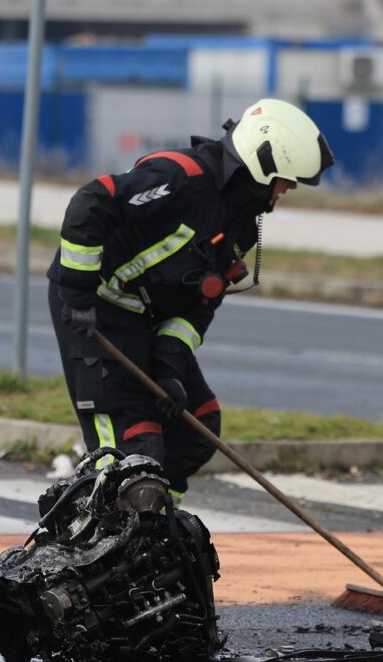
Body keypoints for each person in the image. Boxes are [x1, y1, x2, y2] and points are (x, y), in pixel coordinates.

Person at [47, 98, 334, 503]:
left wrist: (170, 366)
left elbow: (198, 305)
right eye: (286, 180)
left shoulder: (241, 226)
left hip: (140, 319)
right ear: (264, 162)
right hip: (91, 310)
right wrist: (77, 292)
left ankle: (151, 533)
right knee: (134, 447)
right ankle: (93, 536)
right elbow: (91, 203)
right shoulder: (180, 178)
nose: (287, 190)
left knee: (195, 428)